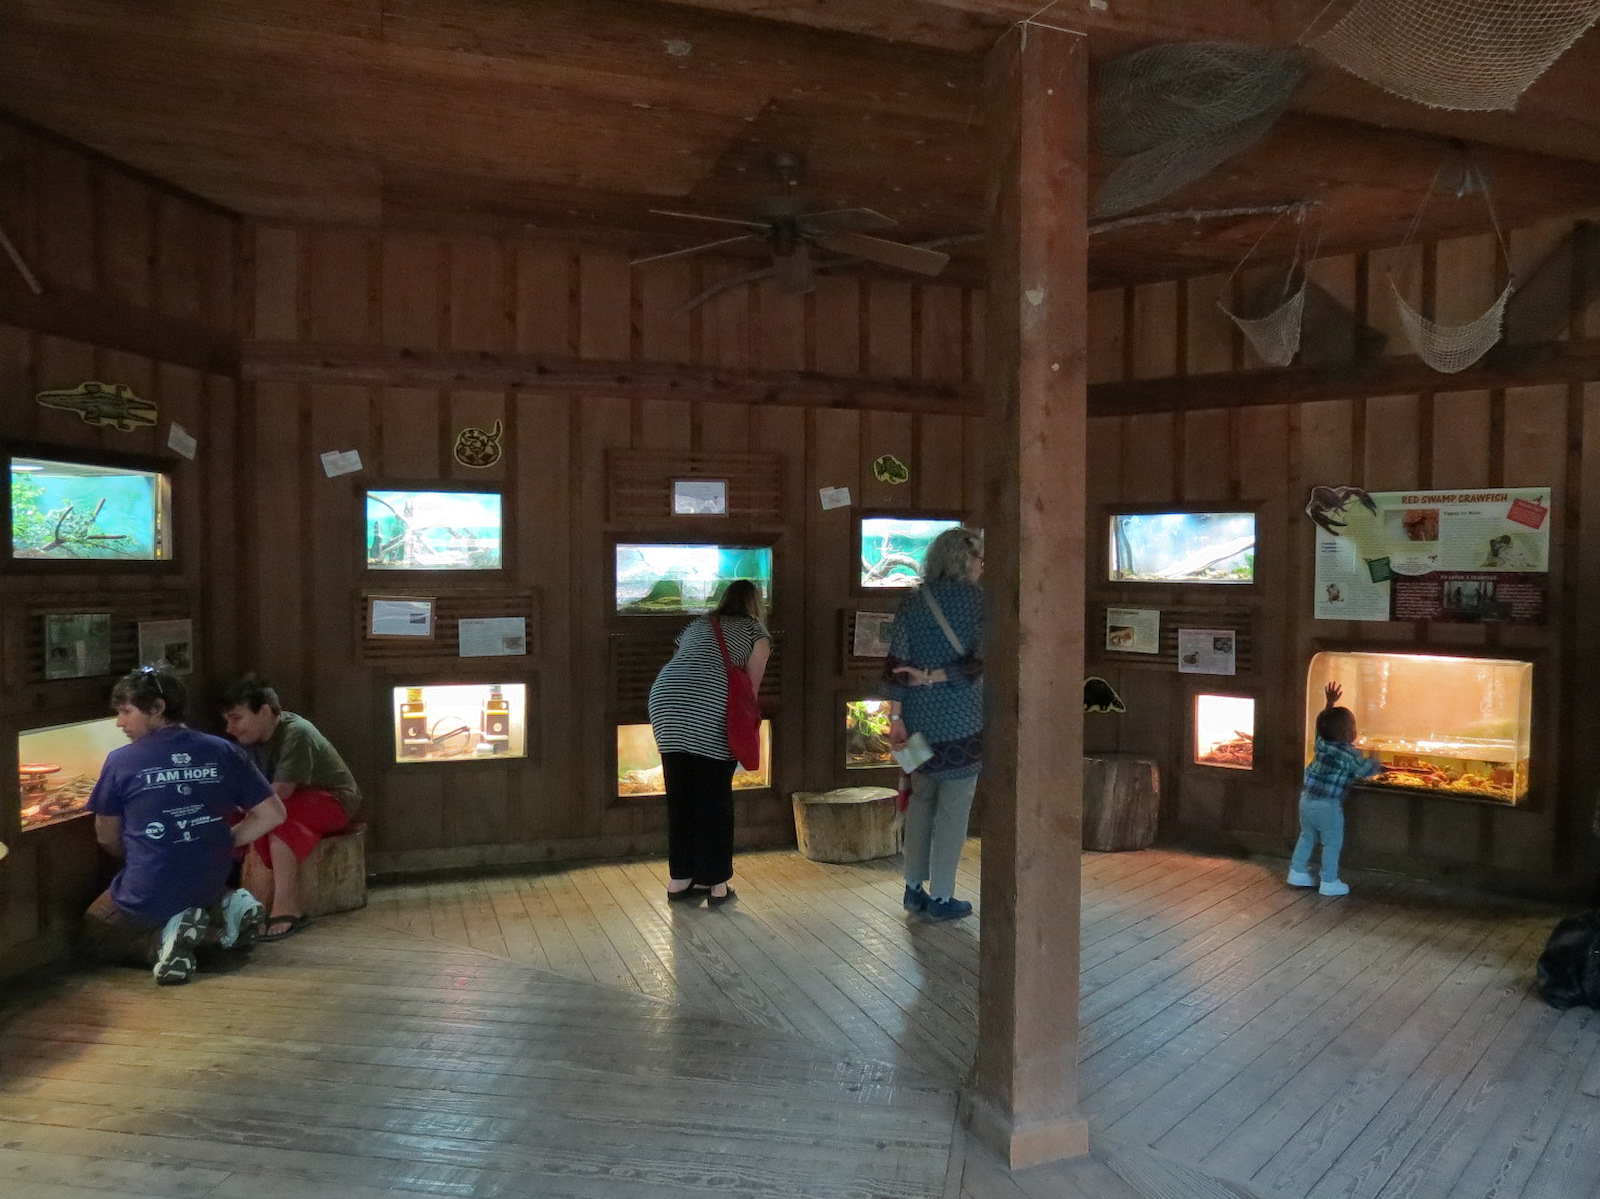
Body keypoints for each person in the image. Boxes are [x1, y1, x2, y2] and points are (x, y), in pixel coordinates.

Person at [81, 666, 286, 986]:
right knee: (185, 895)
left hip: (149, 886)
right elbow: (273, 813)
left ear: (158, 709)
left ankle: (162, 941)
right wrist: (220, 841)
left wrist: (134, 853)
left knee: (95, 932)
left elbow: (106, 834)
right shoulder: (224, 750)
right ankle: (225, 905)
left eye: (126, 711)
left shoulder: (121, 761)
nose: (120, 722)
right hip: (210, 879)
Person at [647, 579, 771, 906]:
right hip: (711, 706)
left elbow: (682, 659)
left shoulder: (698, 624)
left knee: (680, 793)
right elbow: (749, 693)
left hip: (665, 699)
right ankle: (716, 884)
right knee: (714, 796)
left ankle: (680, 879)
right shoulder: (758, 634)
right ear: (756, 604)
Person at [885, 527, 985, 922]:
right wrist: (936, 677)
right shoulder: (980, 602)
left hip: (917, 720)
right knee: (954, 810)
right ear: (966, 560)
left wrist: (895, 718)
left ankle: (913, 889)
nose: (981, 566)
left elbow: (894, 662)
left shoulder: (913, 601)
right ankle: (942, 897)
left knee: (922, 801)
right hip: (963, 720)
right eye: (978, 558)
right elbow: (981, 661)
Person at [221, 675, 362, 941]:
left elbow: (280, 794)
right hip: (294, 801)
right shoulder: (250, 742)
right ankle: (229, 894)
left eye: (236, 718)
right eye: (228, 719)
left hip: (334, 801)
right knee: (243, 815)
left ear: (263, 711)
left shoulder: (297, 731)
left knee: (279, 818)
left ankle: (287, 906)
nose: (230, 728)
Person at [1288, 682, 1383, 897]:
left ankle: (1297, 870)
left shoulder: (1322, 743)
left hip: (1306, 800)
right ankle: (1329, 881)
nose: (1355, 732)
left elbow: (1320, 726)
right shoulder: (1348, 752)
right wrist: (1376, 757)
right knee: (1332, 842)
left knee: (1307, 836)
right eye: (1353, 728)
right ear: (1346, 732)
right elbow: (1365, 770)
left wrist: (1329, 703)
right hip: (1327, 806)